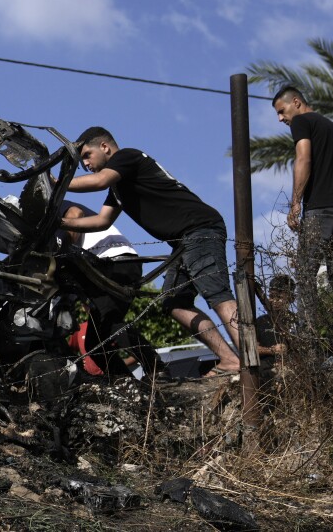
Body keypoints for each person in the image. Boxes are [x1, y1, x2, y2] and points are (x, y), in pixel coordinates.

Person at [60, 127, 242, 376]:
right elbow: (101, 221)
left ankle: (250, 356)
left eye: (87, 155)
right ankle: (230, 360)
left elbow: (99, 181)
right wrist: (61, 224)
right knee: (174, 304)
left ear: (104, 146)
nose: (86, 164)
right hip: (182, 242)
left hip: (199, 228)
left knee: (216, 292)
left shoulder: (127, 157)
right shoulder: (119, 187)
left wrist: (58, 184)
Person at [272, 86, 333, 362]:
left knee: (306, 276)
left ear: (296, 103)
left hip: (320, 211)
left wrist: (295, 202)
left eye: (282, 111)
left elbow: (303, 158)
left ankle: (310, 349)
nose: (281, 119)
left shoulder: (303, 122)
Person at [60, 201, 161, 379]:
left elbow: (75, 213)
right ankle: (125, 382)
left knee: (109, 322)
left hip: (114, 261)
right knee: (95, 342)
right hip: (105, 267)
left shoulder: (52, 208)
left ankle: (157, 369)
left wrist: (61, 250)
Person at [255, 273, 296, 369]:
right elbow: (252, 349)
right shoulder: (261, 321)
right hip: (266, 369)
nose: (274, 301)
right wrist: (271, 350)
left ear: (291, 298)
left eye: (279, 297)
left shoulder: (296, 321)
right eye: (271, 296)